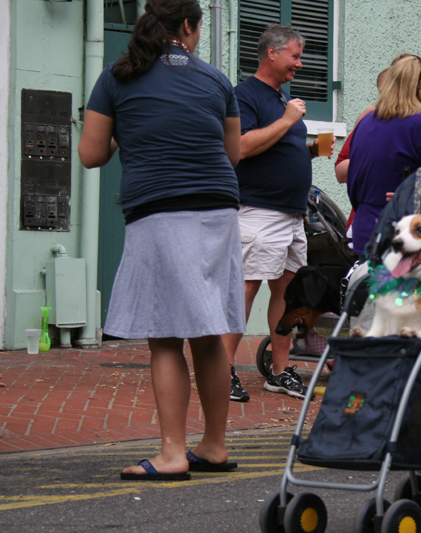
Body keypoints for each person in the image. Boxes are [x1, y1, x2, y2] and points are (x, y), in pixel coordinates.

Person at [79, 0, 244, 479]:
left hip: (160, 208)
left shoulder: (117, 77)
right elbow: (232, 153)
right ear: (189, 26)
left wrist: (123, 130)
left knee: (167, 335)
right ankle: (214, 446)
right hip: (218, 208)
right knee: (209, 331)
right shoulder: (216, 79)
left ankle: (173, 453)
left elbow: (91, 154)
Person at [222, 25, 333, 402]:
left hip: (290, 214)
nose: (299, 64)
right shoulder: (245, 95)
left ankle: (280, 372)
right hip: (258, 211)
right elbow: (241, 147)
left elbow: (276, 147)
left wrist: (311, 151)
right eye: (295, 56)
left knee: (286, 291)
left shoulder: (280, 98)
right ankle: (222, 371)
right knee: (246, 288)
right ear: (272, 53)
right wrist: (287, 120)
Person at [347, 56, 421, 256]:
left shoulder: (367, 121)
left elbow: (354, 183)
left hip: (366, 229)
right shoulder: (418, 124)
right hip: (402, 235)